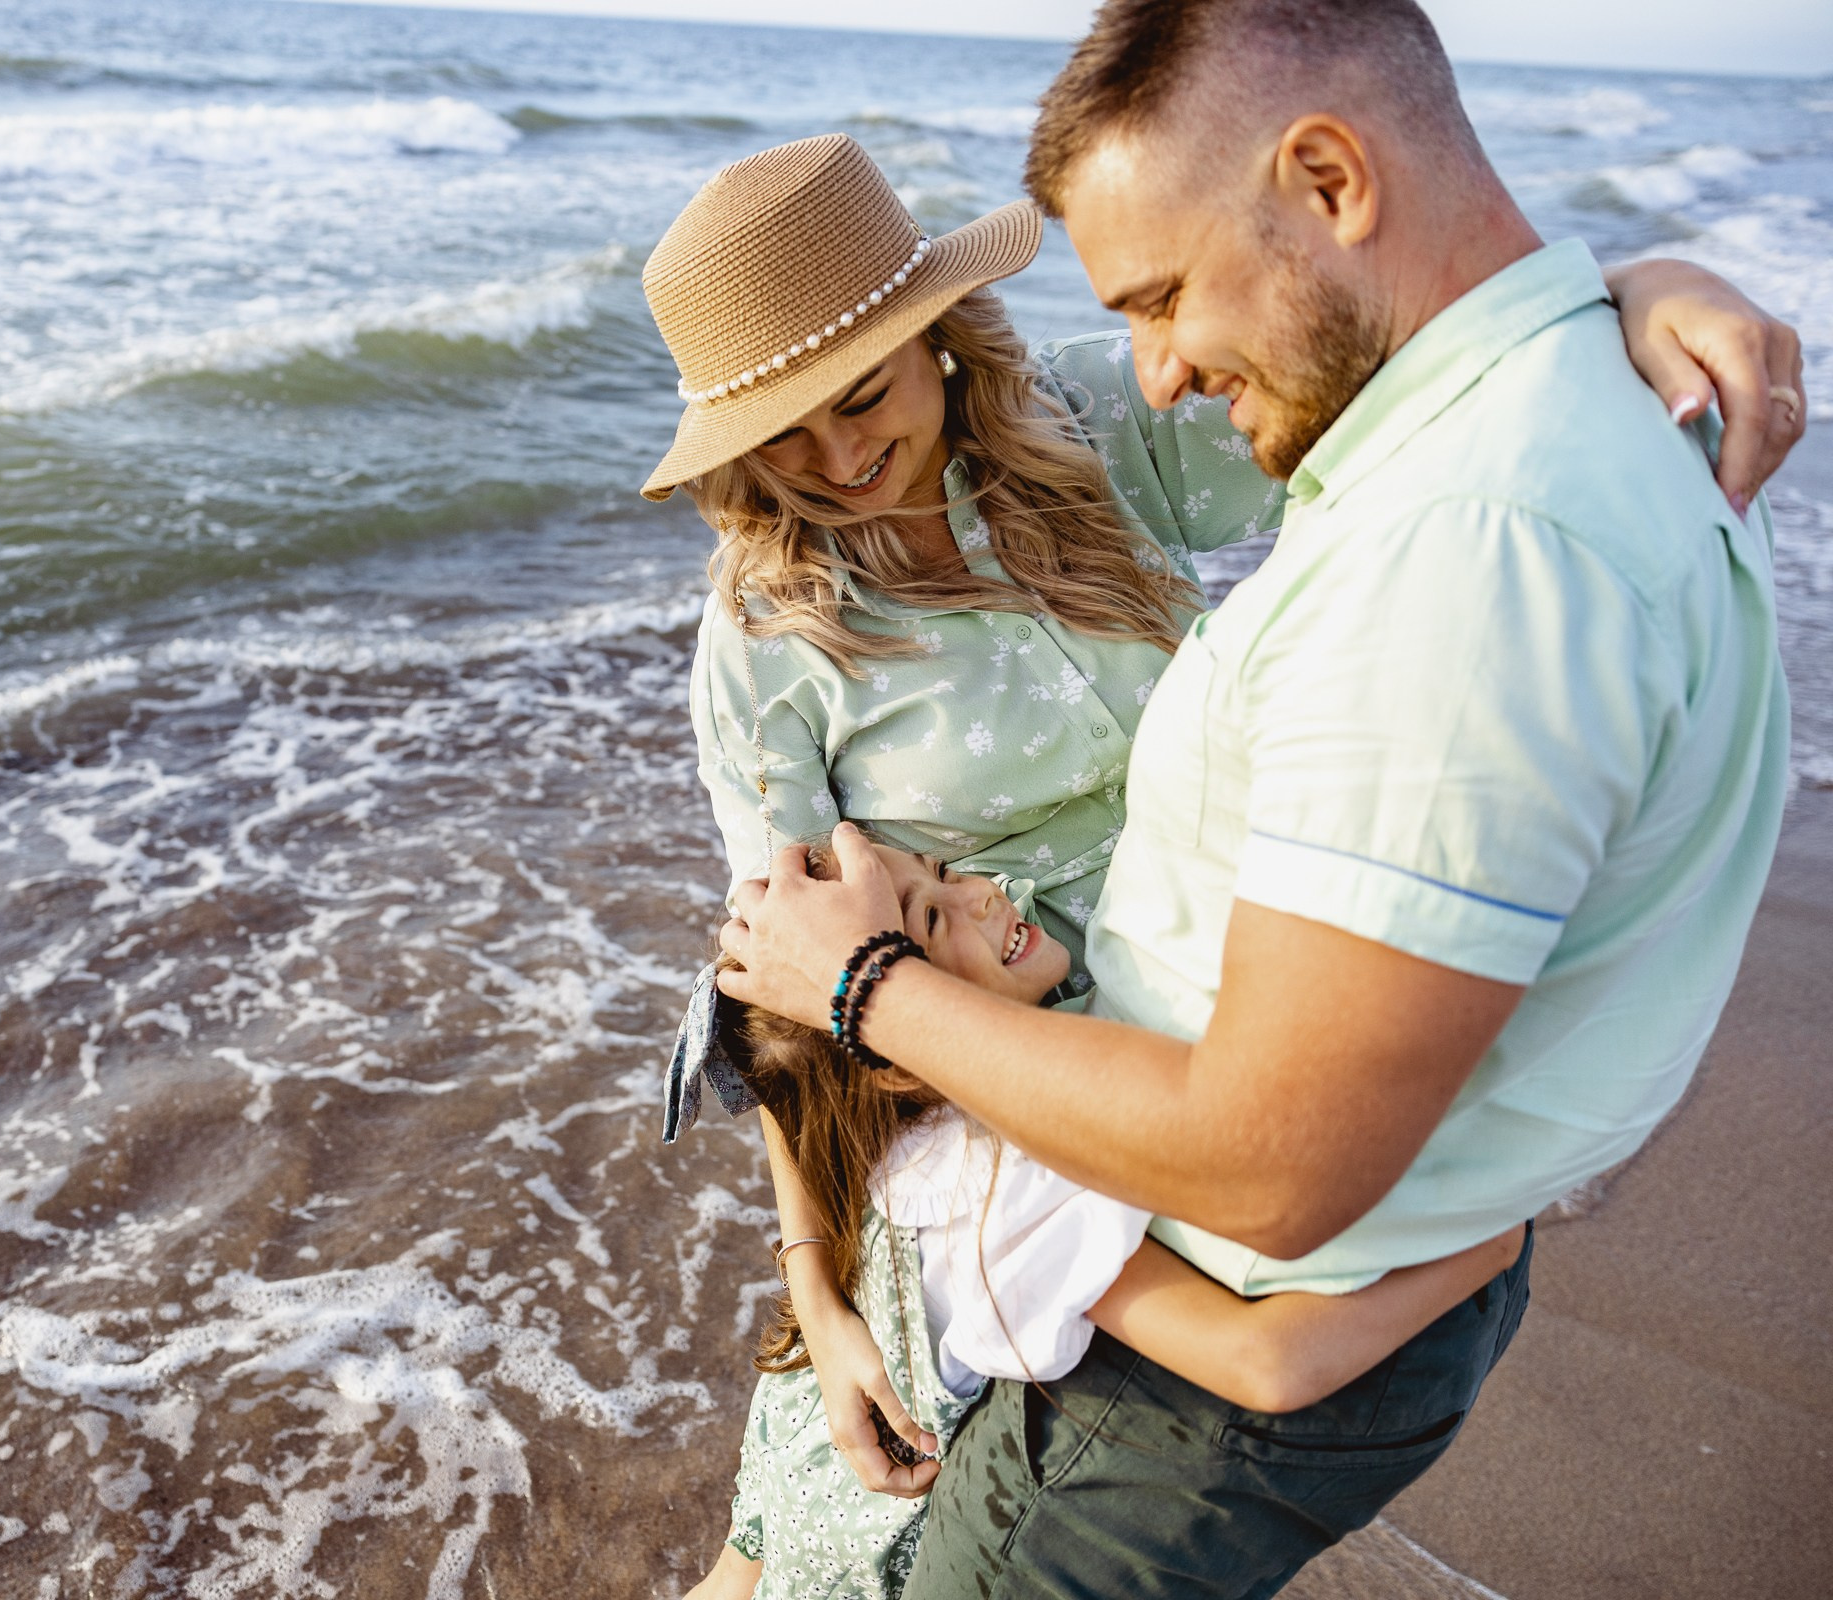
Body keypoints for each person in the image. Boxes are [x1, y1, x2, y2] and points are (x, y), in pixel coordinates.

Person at [712, 3, 1798, 1595]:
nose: (839, 455)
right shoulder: (764, 644)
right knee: (796, 1537)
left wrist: (1616, 294)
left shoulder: (1102, 429)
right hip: (977, 1134)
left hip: (1174, 1142)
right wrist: (814, 1285)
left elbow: (1399, 376)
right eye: (780, 438)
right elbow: (787, 991)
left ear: (941, 335)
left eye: (864, 394)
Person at [684, 839, 1524, 1600]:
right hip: (856, 1532)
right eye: (936, 918)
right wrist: (1485, 1241)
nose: (987, 893)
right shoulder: (1011, 1185)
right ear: (891, 1059)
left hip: (796, 1433)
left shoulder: (890, 1129)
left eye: (943, 872)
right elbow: (1263, 1363)